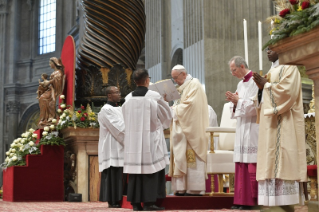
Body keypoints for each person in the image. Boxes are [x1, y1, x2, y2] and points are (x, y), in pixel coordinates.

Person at [253, 48, 307, 207]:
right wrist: (261, 89)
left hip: (284, 122)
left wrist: (267, 86)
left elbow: (288, 93)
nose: (268, 52)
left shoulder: (290, 67)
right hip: (269, 124)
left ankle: (287, 204)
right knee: (269, 157)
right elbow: (262, 99)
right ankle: (270, 204)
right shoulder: (272, 70)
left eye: (272, 48)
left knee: (283, 156)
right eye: (267, 49)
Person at [122, 69, 171, 211]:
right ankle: (149, 203)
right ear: (147, 80)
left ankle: (136, 204)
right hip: (150, 139)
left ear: (135, 81)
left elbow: (124, 117)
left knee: (136, 171)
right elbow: (166, 116)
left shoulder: (128, 98)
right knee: (151, 169)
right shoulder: (154, 96)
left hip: (134, 140)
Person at [168, 64, 209, 196]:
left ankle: (193, 188)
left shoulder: (194, 85)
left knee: (191, 158)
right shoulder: (182, 87)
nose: (174, 81)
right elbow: (180, 104)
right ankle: (181, 188)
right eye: (173, 78)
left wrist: (174, 110)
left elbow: (190, 106)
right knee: (180, 156)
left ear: (183, 74)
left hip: (192, 129)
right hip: (182, 129)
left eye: (176, 78)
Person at [225, 56, 259, 210]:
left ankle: (251, 201)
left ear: (242, 66)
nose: (232, 73)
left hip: (252, 127)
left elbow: (255, 106)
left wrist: (238, 101)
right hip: (242, 127)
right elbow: (239, 104)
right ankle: (240, 201)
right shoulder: (240, 83)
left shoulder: (257, 82)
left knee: (251, 164)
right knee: (241, 164)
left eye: (234, 70)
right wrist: (234, 102)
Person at [98, 86, 126, 208]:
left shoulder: (120, 108)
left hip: (121, 146)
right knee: (113, 173)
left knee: (121, 173)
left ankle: (121, 198)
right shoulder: (106, 110)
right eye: (116, 92)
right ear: (109, 95)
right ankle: (113, 200)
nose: (119, 94)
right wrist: (131, 139)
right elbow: (118, 128)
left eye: (119, 92)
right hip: (112, 147)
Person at [38, 57, 65, 127]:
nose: (49, 65)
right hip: (51, 89)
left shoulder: (59, 72)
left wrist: (49, 82)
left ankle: (49, 118)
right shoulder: (54, 72)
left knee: (43, 98)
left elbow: (58, 81)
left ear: (54, 63)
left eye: (50, 63)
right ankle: (44, 118)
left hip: (55, 91)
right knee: (42, 98)